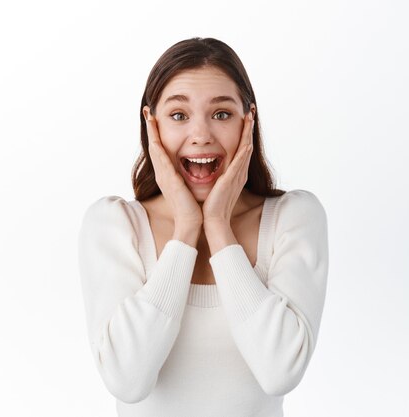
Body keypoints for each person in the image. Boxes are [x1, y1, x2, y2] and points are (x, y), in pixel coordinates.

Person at [78, 37, 329, 417]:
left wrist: (217, 227)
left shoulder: (293, 218)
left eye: (222, 114)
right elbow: (127, 381)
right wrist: (186, 231)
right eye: (179, 116)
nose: (201, 135)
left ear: (249, 121)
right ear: (152, 125)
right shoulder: (115, 225)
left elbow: (279, 371)